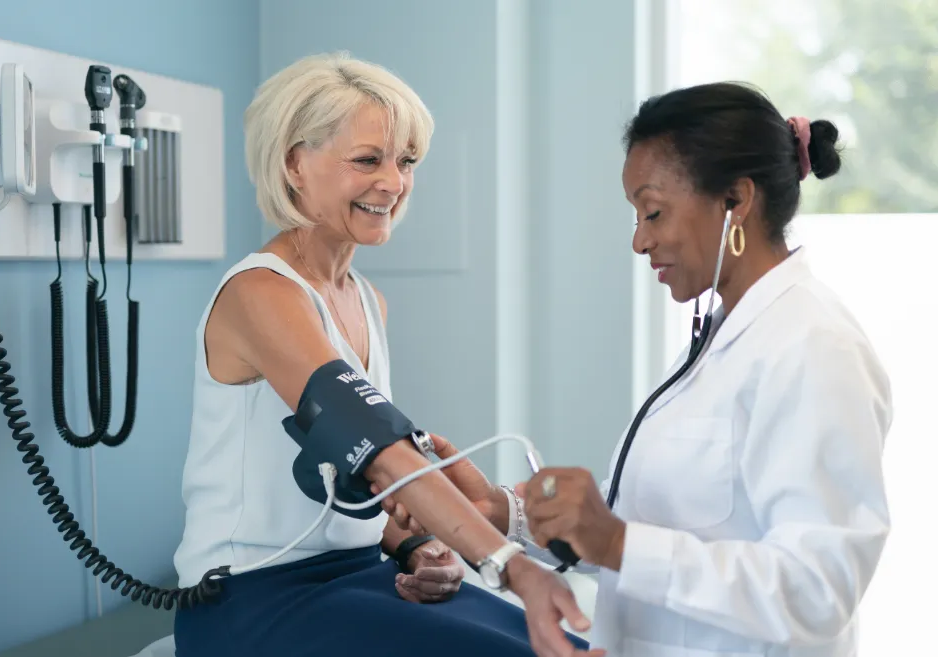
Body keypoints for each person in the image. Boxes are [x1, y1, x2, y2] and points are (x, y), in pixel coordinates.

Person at [380, 81, 893, 657]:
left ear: (736, 200)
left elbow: (820, 589)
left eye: (653, 212)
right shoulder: (724, 336)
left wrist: (619, 544)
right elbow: (662, 520)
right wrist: (513, 514)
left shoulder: (813, 348)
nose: (639, 241)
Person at [170, 52, 594, 657]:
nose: (393, 183)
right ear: (294, 163)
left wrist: (414, 546)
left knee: (571, 649)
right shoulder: (260, 294)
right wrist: (511, 566)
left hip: (358, 572)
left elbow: (347, 490)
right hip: (252, 603)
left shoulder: (367, 300)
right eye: (367, 160)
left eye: (406, 162)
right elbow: (381, 453)